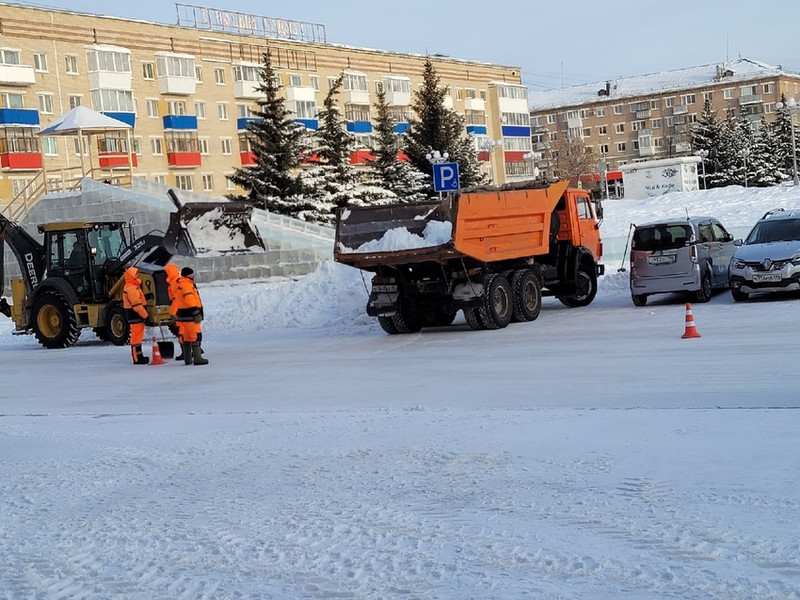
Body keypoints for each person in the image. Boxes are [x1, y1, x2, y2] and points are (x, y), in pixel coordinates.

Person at [171, 266, 208, 365]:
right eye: (192, 274)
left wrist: (173, 313)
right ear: (189, 275)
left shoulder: (180, 285)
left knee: (186, 337)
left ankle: (187, 359)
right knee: (195, 336)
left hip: (182, 316)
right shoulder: (187, 285)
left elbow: (175, 301)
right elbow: (190, 300)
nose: (194, 276)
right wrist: (196, 313)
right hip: (190, 316)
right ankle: (198, 358)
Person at [123, 266, 154, 365]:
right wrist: (146, 316)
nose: (137, 276)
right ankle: (137, 358)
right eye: (135, 274)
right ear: (131, 276)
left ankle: (139, 356)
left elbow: (138, 299)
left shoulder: (133, 286)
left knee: (138, 336)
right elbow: (136, 306)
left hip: (136, 315)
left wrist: (146, 297)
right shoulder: (131, 288)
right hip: (135, 315)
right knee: (136, 337)